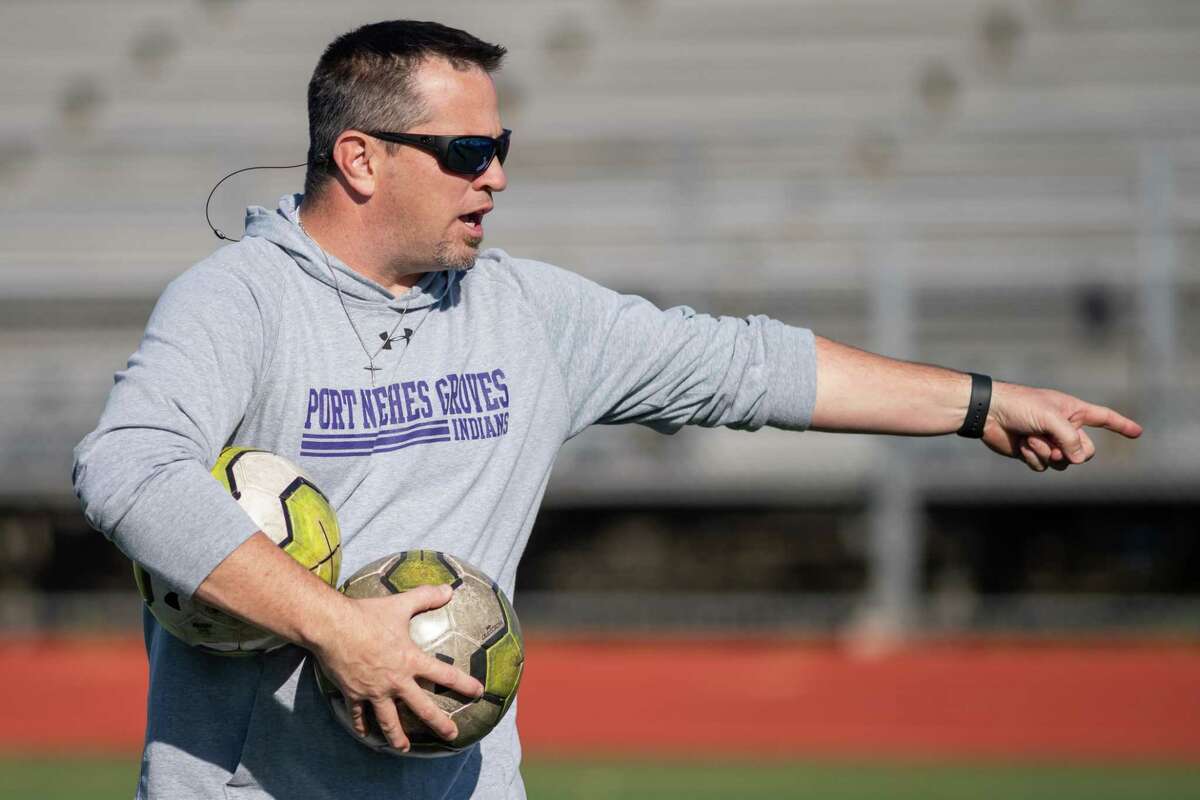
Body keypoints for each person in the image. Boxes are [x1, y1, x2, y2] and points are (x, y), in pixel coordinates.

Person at [72, 19, 1143, 800]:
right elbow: (127, 467)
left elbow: (743, 365)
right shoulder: (241, 300)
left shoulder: (525, 310)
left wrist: (983, 403)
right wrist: (340, 631)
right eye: (464, 153)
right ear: (359, 157)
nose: (492, 177)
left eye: (502, 150)